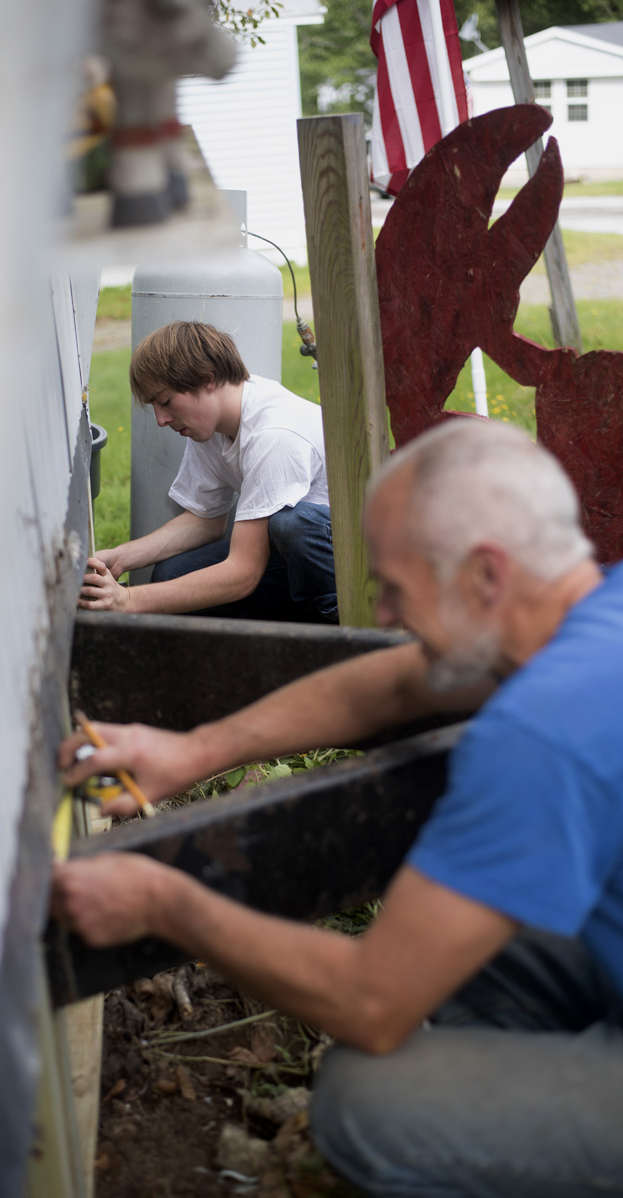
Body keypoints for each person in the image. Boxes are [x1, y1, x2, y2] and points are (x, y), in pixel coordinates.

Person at [52, 420, 623, 1197]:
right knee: (471, 947)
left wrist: (163, 901)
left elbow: (372, 1002)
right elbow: (395, 682)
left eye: (395, 585)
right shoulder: (588, 621)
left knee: (372, 1101)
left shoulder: (541, 734)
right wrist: (190, 753)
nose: (383, 614)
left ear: (486, 576)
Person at [80, 320, 337, 622]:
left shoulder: (274, 435)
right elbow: (207, 520)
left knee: (293, 524)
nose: (161, 420)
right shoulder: (212, 423)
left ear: (207, 380)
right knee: (171, 575)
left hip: (362, 557)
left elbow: (243, 573)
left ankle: (336, 630)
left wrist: (128, 599)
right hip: (298, 558)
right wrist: (120, 558)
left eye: (166, 401)